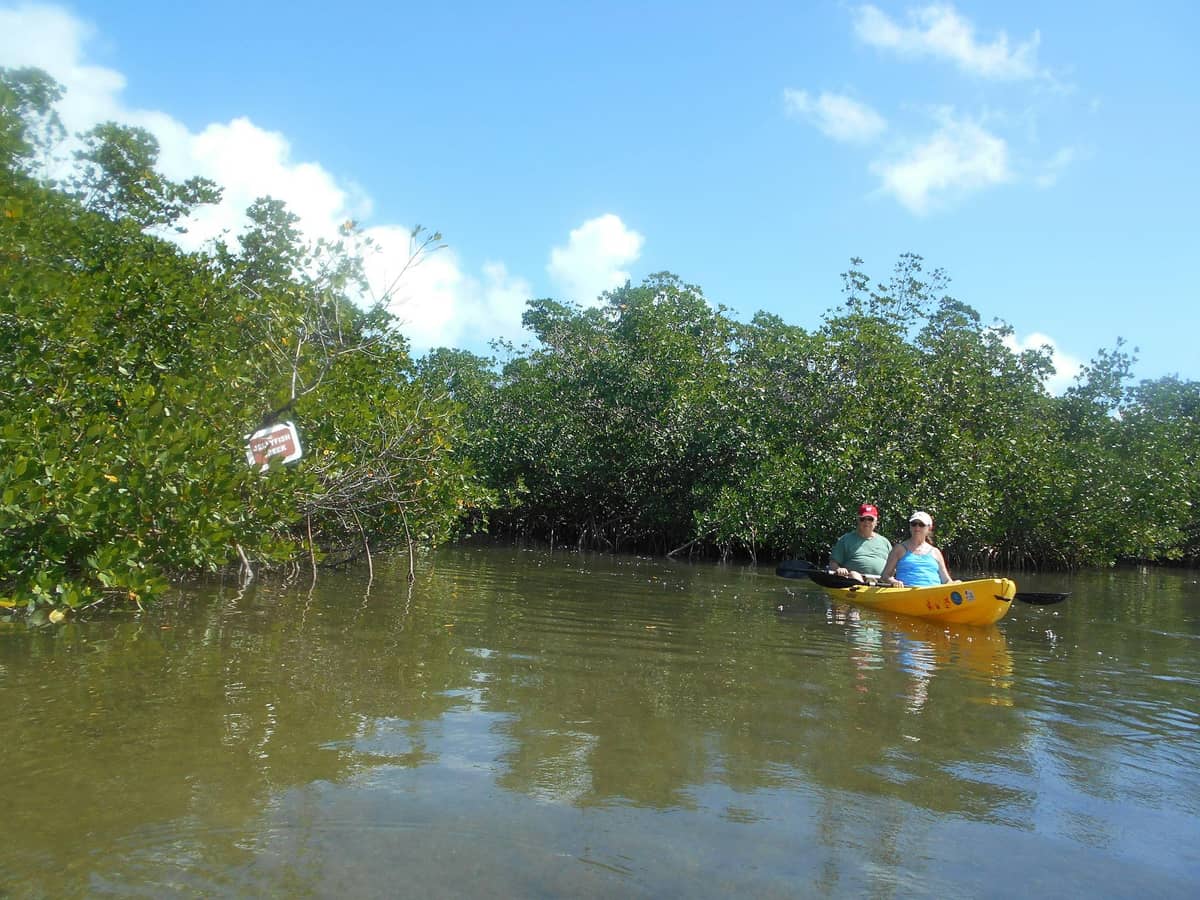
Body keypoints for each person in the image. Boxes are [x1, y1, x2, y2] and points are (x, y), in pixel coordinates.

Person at [880, 511, 956, 587]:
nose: (917, 528)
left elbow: (946, 580)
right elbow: (885, 575)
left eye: (921, 525)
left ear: (929, 528)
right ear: (910, 527)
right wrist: (894, 582)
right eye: (914, 524)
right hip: (907, 593)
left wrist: (955, 584)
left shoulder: (935, 552)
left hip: (933, 593)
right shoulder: (899, 549)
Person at [828, 503, 893, 583]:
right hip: (854, 583)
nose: (866, 522)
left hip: (882, 583)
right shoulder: (845, 540)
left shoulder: (885, 542)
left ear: (876, 522)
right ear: (858, 520)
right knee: (854, 574)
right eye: (863, 519)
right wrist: (838, 569)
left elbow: (894, 567)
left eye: (870, 519)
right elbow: (833, 563)